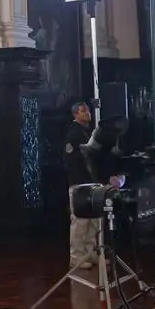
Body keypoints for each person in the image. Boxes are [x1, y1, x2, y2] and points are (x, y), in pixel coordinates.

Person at [64, 102, 98, 271]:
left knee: (93, 221)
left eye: (89, 111)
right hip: (79, 183)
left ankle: (91, 252)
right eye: (84, 111)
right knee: (80, 222)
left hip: (91, 182)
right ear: (75, 114)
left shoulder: (87, 132)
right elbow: (75, 161)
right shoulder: (74, 134)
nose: (88, 114)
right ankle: (77, 256)